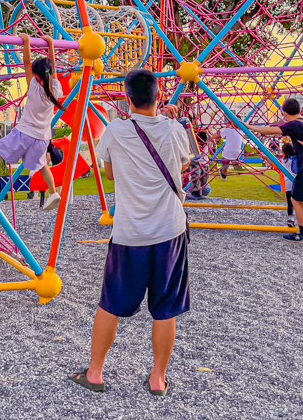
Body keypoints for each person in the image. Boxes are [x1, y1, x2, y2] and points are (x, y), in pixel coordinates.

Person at [68, 68, 191, 395]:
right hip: (169, 230)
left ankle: (94, 372)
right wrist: (169, 121)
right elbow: (181, 167)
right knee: (165, 308)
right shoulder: (174, 129)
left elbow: (109, 174)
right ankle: (158, 378)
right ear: (158, 95)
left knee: (110, 304)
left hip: (129, 234)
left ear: (127, 97)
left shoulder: (115, 131)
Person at [0, 33, 63, 211]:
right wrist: (50, 45)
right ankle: (53, 192)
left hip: (25, 132)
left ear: (36, 76)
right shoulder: (56, 89)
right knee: (42, 165)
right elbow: (53, 68)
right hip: (42, 138)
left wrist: (26, 42)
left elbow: (26, 63)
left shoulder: (34, 86)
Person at [243, 98, 303, 250]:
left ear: (285, 112)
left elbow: (271, 130)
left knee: (295, 199)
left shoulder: (293, 125)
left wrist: (248, 126)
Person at [281, 142, 298, 227]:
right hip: (297, 182)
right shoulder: (295, 160)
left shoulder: (284, 161)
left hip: (288, 184)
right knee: (298, 202)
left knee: (290, 203)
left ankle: (290, 218)